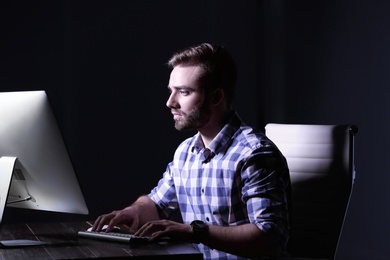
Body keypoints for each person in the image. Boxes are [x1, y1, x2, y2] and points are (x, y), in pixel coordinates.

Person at [92, 43, 291, 259]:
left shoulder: (254, 155)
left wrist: (194, 232)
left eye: (184, 92)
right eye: (171, 91)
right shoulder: (185, 152)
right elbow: (156, 204)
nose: (170, 103)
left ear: (215, 97)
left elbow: (270, 238)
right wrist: (134, 211)